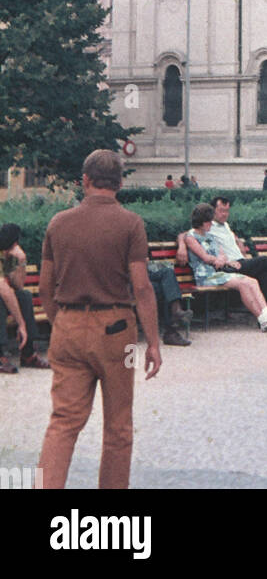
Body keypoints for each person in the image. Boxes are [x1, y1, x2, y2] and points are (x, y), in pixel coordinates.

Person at [37, 149, 162, 490]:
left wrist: (60, 321)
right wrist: (152, 342)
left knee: (63, 421)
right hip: (117, 332)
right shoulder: (131, 224)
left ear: (85, 181)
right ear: (120, 183)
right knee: (119, 426)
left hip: (67, 325)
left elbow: (45, 287)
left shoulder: (58, 223)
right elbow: (141, 287)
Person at [178, 195, 267, 309]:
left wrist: (238, 241)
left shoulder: (225, 225)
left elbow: (229, 237)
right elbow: (185, 234)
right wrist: (182, 247)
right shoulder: (208, 226)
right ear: (213, 211)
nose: (224, 214)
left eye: (227, 211)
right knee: (264, 260)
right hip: (231, 266)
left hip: (241, 262)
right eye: (221, 211)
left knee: (265, 273)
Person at [184, 204, 267, 332]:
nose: (211, 224)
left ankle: (266, 313)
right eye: (209, 221)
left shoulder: (210, 236)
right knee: (242, 283)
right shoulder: (191, 237)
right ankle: (262, 318)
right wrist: (217, 260)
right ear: (202, 222)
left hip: (218, 273)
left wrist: (223, 259)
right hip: (206, 276)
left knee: (252, 281)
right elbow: (204, 257)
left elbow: (222, 254)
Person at [0, 224, 50, 372]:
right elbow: (4, 289)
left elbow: (18, 285)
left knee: (25, 295)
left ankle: (28, 354)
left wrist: (22, 260)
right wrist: (21, 324)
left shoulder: (5, 256)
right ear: (15, 242)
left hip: (5, 294)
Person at [145, 258, 191, 346]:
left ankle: (176, 311)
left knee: (168, 272)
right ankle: (171, 332)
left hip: (145, 276)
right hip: (129, 280)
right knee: (166, 288)